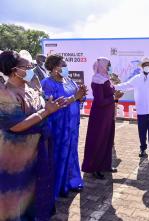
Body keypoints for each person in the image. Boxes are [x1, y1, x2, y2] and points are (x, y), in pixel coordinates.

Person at [0, 51, 66, 220]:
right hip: (16, 157)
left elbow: (44, 104)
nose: (31, 69)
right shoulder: (5, 93)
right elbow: (16, 125)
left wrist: (53, 105)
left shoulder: (30, 87)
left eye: (31, 66)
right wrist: (46, 112)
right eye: (26, 67)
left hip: (36, 151)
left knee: (34, 191)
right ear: (14, 70)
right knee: (16, 194)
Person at [41, 54, 88, 198]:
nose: (66, 67)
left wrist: (82, 94)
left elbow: (80, 98)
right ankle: (58, 186)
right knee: (58, 153)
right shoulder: (47, 83)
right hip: (58, 125)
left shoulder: (69, 81)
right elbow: (53, 104)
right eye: (63, 65)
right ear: (55, 68)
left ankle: (71, 182)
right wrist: (75, 97)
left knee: (71, 152)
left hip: (72, 125)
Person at [114, 57, 149, 159]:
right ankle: (143, 148)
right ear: (142, 67)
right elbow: (126, 85)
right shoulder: (137, 78)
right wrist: (113, 86)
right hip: (142, 110)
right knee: (142, 131)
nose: (147, 66)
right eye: (145, 64)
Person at [82, 57, 123, 179]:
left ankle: (105, 165)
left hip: (108, 114)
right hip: (100, 115)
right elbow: (100, 101)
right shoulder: (97, 80)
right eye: (108, 65)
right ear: (102, 66)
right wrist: (114, 97)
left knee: (108, 139)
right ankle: (95, 167)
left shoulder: (106, 78)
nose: (109, 67)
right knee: (98, 140)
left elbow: (110, 95)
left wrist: (116, 96)